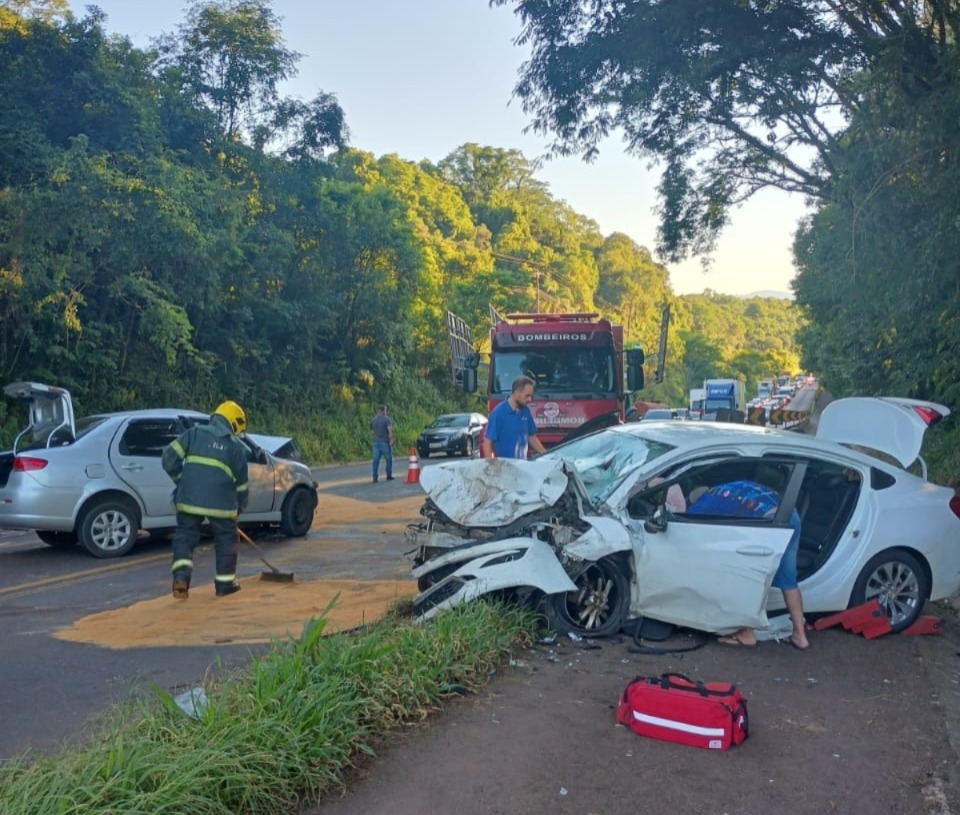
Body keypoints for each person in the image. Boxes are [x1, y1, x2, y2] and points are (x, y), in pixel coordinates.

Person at [686, 479, 809, 650]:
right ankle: (800, 636)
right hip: (789, 515)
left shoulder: (703, 503)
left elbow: (685, 526)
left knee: (751, 576)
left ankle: (747, 633)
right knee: (788, 580)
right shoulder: (729, 488)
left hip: (768, 521)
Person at [162, 400, 249, 599]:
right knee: (226, 539)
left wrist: (181, 480)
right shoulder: (236, 449)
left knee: (185, 537)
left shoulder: (194, 434)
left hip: (189, 500)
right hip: (222, 506)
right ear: (234, 424)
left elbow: (168, 458)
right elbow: (242, 487)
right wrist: (238, 511)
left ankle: (181, 579)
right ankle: (225, 585)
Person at [482, 375, 547, 459]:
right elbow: (487, 442)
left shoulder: (526, 411)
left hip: (521, 466)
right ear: (516, 393)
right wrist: (492, 465)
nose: (530, 399)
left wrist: (546, 454)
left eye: (531, 396)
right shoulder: (498, 413)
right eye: (527, 396)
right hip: (505, 467)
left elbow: (531, 437)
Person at [371, 404, 395, 483]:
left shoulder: (373, 420)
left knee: (376, 460)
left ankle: (375, 477)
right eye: (385, 410)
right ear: (381, 411)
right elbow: (390, 430)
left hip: (375, 443)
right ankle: (388, 475)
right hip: (384, 442)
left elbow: (373, 432)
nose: (386, 412)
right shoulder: (387, 419)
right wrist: (391, 440)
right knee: (389, 459)